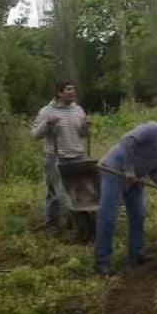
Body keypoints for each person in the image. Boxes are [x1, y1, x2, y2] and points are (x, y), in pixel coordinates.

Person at [93, 118, 157, 275]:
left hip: (136, 178)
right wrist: (128, 169)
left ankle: (136, 255)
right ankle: (102, 262)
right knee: (108, 217)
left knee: (138, 215)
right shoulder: (153, 129)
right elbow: (126, 141)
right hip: (115, 171)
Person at [31, 80, 89, 233]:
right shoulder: (47, 111)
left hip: (77, 156)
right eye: (69, 89)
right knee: (55, 193)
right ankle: (52, 224)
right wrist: (47, 124)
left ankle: (73, 223)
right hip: (56, 157)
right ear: (59, 93)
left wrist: (85, 126)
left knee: (77, 192)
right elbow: (35, 135)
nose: (73, 92)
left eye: (73, 89)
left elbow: (83, 134)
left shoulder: (78, 110)